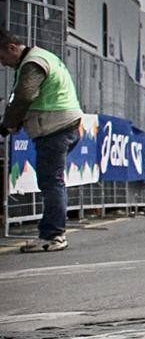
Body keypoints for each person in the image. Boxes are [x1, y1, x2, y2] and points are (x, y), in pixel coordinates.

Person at [1, 28, 85, 252]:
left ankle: (53, 236)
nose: (3, 63)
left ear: (11, 48)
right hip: (67, 125)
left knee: (51, 182)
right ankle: (53, 232)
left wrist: (7, 124)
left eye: (2, 57)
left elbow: (25, 96)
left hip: (54, 128)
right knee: (54, 181)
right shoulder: (44, 55)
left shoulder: (32, 63)